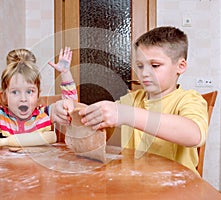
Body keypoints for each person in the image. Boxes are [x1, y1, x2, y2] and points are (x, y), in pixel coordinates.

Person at [77, 26, 208, 175]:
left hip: (178, 190)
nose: (144, 73)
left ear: (180, 66)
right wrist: (70, 108)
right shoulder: (132, 99)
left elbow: (194, 135)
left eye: (155, 65)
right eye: (140, 66)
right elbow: (102, 114)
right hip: (136, 183)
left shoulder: (188, 99)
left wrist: (127, 114)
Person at [0, 41, 77, 138]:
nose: (23, 99)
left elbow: (70, 107)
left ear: (38, 94)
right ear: (5, 96)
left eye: (29, 91)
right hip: (6, 161)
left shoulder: (46, 115)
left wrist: (65, 73)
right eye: (15, 92)